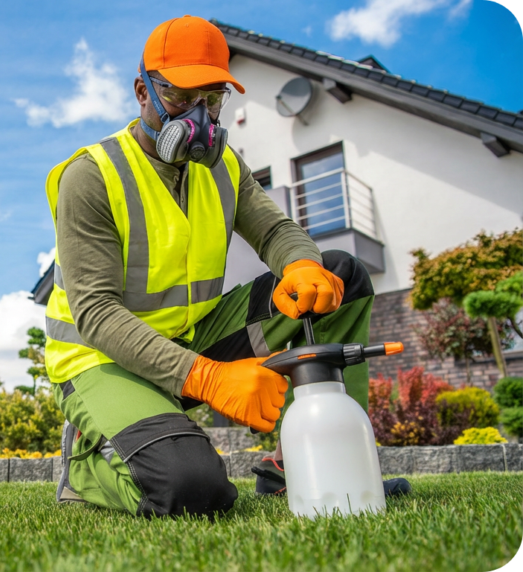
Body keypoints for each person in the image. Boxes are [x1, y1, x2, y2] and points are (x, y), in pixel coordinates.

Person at [45, 15, 409, 518]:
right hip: (100, 360)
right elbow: (97, 314)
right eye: (179, 97)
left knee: (339, 274)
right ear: (142, 91)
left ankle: (304, 465)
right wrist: (209, 378)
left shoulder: (224, 166)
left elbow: (277, 232)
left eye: (212, 99)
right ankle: (83, 469)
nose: (199, 115)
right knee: (192, 491)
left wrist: (301, 266)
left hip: (192, 336)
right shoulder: (90, 177)